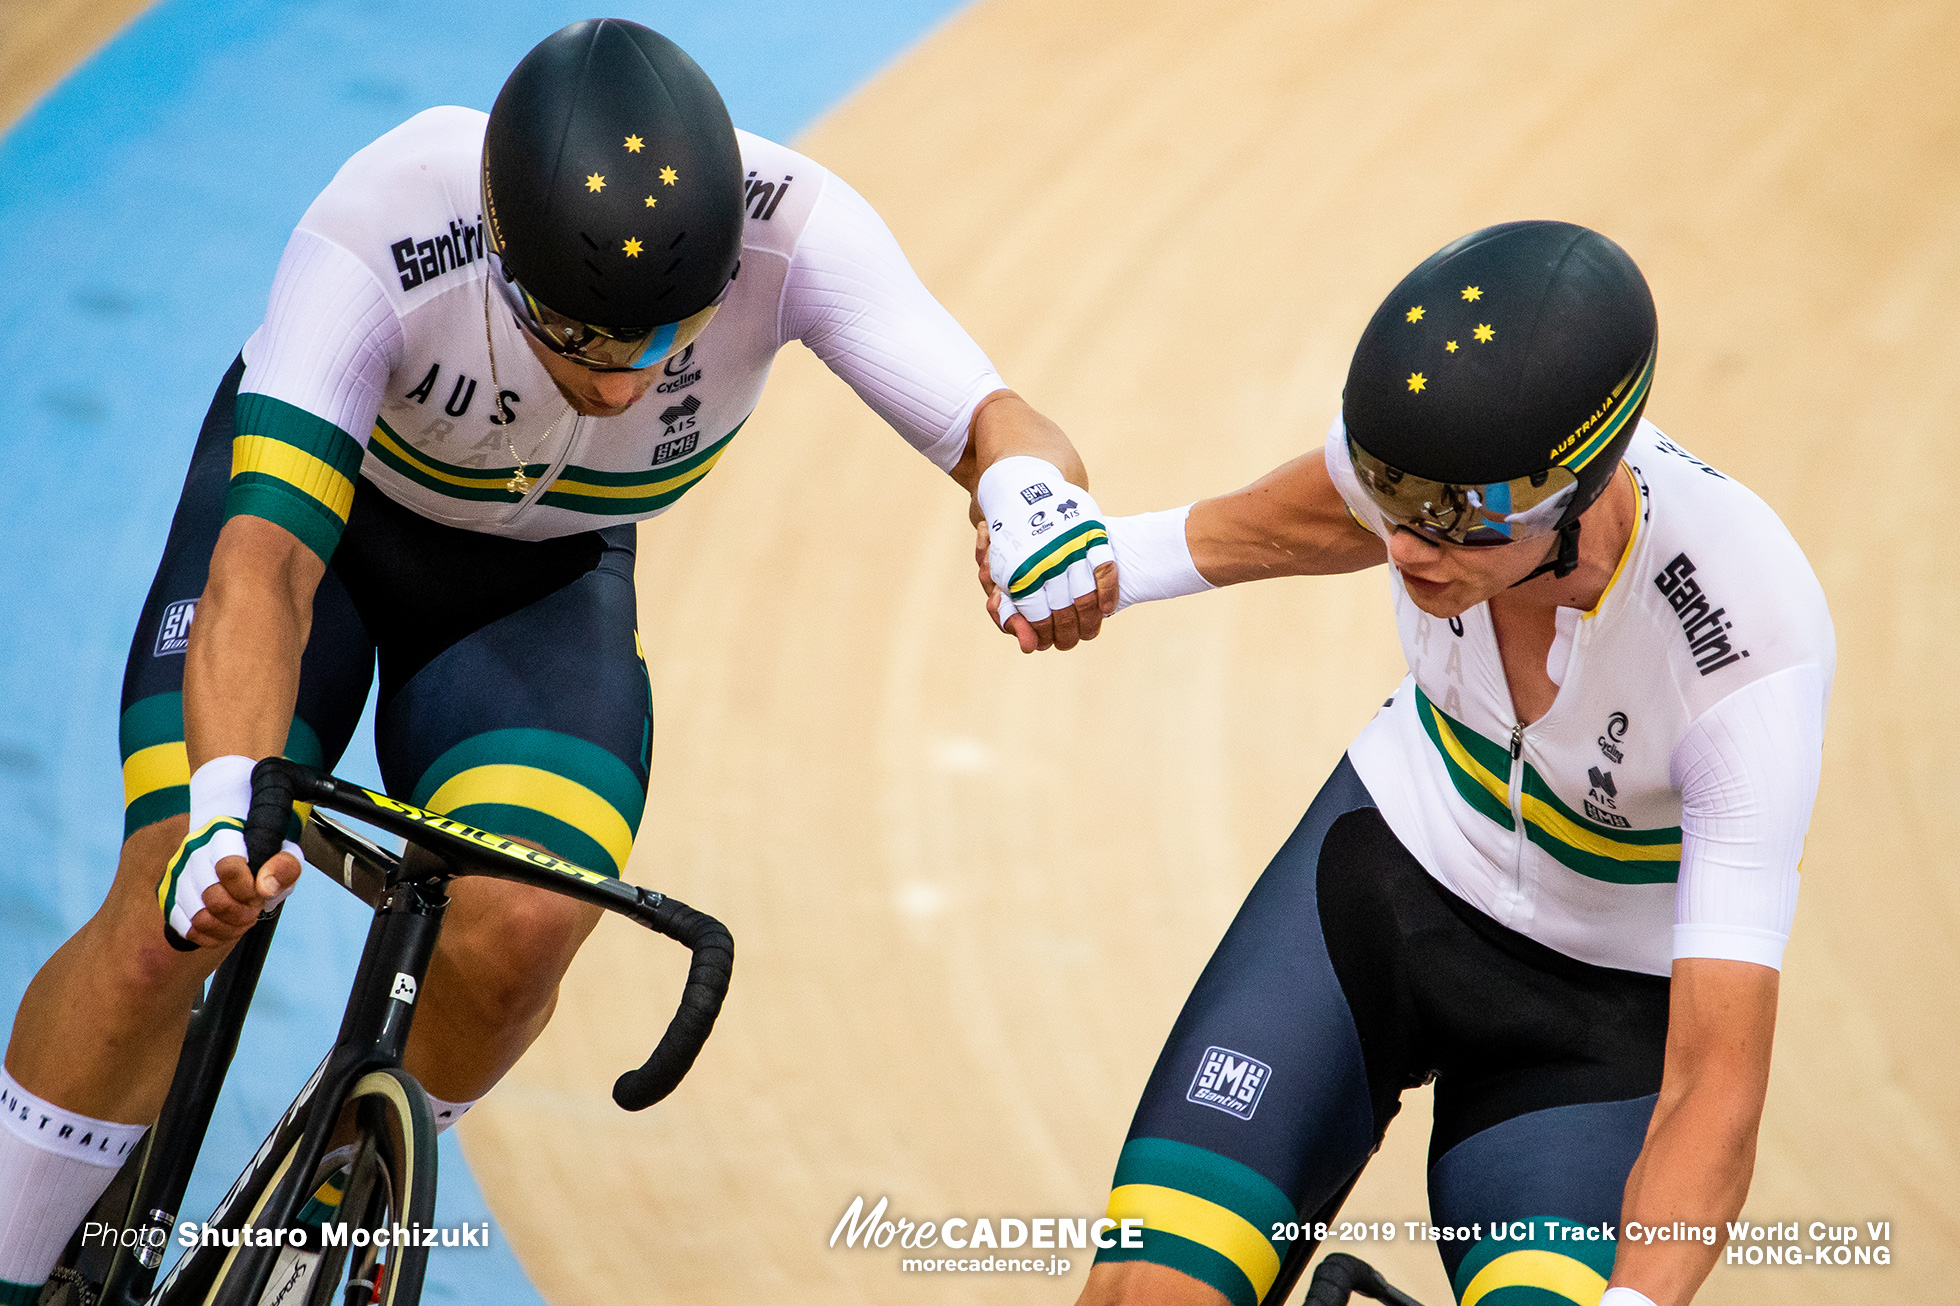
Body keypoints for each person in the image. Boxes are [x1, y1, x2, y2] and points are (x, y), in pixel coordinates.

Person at [0, 18, 1118, 1301]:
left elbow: (993, 418)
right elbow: (267, 568)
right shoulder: (387, 221)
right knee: (168, 908)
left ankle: (337, 1207)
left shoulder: (798, 230)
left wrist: (1033, 494)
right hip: (325, 539)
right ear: (504, 255)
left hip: (540, 583)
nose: (625, 381)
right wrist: (216, 807)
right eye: (583, 341)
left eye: (662, 340)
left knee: (529, 917)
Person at [1013, 222, 1833, 1306]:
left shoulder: (1746, 650)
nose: (1405, 550)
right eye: (1387, 496)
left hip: (1596, 1026)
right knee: (1145, 1295)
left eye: (1449, 524)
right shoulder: (1442, 481)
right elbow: (1295, 523)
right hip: (1382, 884)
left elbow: (1713, 1090)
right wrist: (1101, 557)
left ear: (1576, 493)